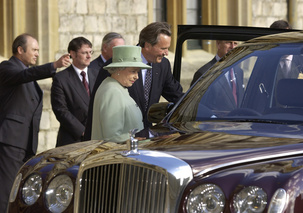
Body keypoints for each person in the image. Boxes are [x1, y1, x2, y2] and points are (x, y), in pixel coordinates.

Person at [0, 33, 70, 213]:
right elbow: (26, 75)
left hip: (25, 143)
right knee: (6, 190)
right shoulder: (7, 67)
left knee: (20, 190)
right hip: (11, 141)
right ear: (20, 50)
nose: (37, 54)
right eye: (34, 50)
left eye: (39, 50)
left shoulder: (24, 73)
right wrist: (54, 65)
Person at [84, 22, 183, 140]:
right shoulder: (115, 65)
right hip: (121, 145)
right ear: (147, 46)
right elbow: (97, 109)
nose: (166, 53)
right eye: (163, 48)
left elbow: (176, 95)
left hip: (143, 143)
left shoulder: (163, 65)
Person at [92, 45, 150, 142]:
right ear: (119, 69)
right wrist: (136, 140)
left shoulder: (116, 87)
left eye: (138, 72)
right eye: (133, 71)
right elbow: (112, 137)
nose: (137, 77)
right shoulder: (112, 91)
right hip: (118, 155)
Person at [51, 37, 99, 147]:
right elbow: (60, 110)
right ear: (72, 54)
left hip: (97, 139)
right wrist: (83, 131)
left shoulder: (97, 75)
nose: (89, 56)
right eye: (84, 53)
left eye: (90, 52)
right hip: (73, 139)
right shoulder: (61, 78)